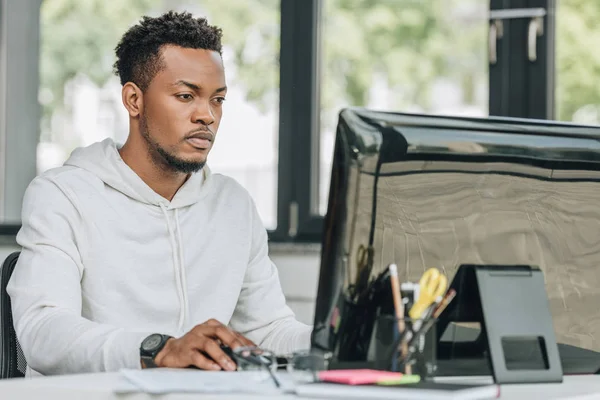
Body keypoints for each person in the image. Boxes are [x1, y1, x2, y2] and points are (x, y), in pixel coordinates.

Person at [7, 11, 312, 376]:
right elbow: (44, 333)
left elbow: (268, 330)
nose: (207, 116)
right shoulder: (62, 195)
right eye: (186, 96)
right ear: (134, 100)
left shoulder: (234, 205)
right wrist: (158, 349)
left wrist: (344, 341)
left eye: (218, 100)